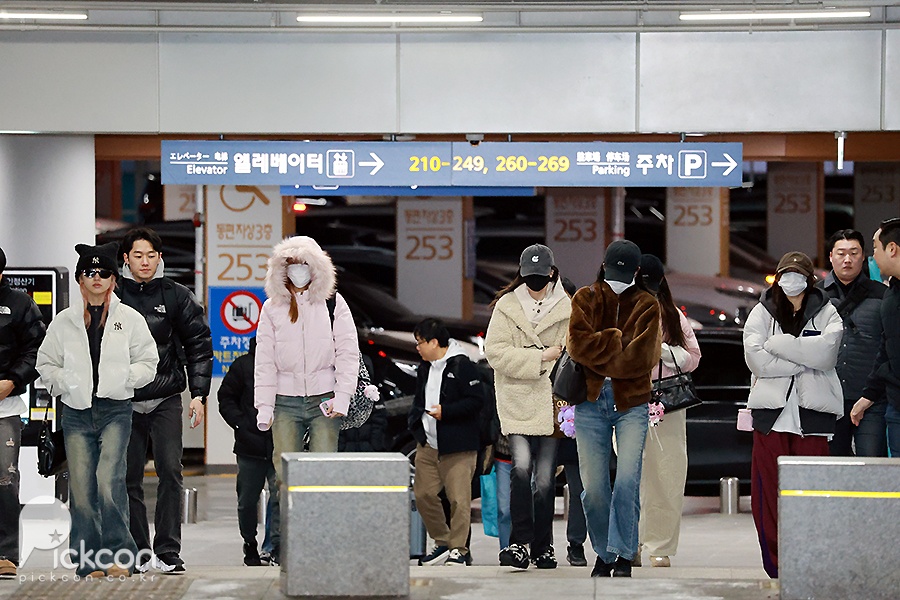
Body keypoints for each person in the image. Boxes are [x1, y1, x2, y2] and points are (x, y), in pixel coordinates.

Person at [36, 242, 158, 578]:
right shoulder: (64, 321)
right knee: (81, 489)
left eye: (104, 272)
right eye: (90, 272)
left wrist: (123, 379)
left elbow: (149, 361)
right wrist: (66, 382)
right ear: (80, 279)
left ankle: (120, 556)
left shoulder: (129, 319)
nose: (97, 278)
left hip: (116, 409)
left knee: (109, 480)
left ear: (114, 279)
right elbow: (45, 363)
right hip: (76, 412)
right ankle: (88, 561)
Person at [118, 227, 213, 574]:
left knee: (171, 471)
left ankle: (168, 550)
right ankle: (138, 550)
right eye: (138, 255)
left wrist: (199, 395)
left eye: (151, 255)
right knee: (128, 476)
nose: (145, 262)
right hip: (124, 400)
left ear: (160, 258)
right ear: (126, 259)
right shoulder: (113, 295)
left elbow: (199, 344)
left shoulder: (176, 295)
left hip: (166, 397)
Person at [743, 250, 843, 579]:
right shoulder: (761, 311)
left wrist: (779, 345)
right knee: (767, 495)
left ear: (809, 280)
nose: (791, 280)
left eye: (798, 274)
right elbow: (756, 359)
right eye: (786, 274)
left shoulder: (827, 311)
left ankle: (809, 564)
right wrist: (803, 359)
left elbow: (827, 355)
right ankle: (776, 565)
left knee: (813, 494)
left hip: (813, 418)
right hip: (771, 419)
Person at [567, 239, 661, 578]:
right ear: (604, 266)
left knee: (626, 482)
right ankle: (605, 553)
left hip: (632, 403)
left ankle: (622, 554)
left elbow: (643, 359)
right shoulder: (585, 297)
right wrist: (617, 340)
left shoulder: (648, 304)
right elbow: (577, 346)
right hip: (590, 403)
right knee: (593, 488)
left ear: (636, 272)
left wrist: (601, 349)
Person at [484, 244, 571, 570]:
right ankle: (519, 543)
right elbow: (495, 353)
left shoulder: (567, 307)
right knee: (520, 469)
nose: (534, 281)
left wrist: (552, 359)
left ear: (551, 273)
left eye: (540, 275)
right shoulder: (507, 306)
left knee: (545, 479)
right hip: (517, 400)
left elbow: (573, 353)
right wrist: (541, 357)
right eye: (529, 275)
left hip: (550, 402)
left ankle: (543, 547)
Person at [254, 236, 358, 481]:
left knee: (323, 472)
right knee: (284, 473)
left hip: (324, 399)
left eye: (304, 264)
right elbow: (264, 361)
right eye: (291, 264)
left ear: (316, 267)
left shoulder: (333, 303)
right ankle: (287, 509)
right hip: (284, 401)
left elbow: (347, 352)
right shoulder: (271, 307)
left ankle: (320, 509)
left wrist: (343, 396)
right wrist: (264, 406)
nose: (298, 270)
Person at [635, 254, 701, 569]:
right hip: (628, 400)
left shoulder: (672, 315)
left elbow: (694, 357)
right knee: (631, 476)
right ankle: (629, 542)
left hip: (667, 404)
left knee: (667, 474)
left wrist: (663, 351)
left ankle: (659, 545)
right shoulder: (621, 310)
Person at [408, 318, 484, 567]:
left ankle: (459, 549)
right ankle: (443, 541)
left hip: (458, 446)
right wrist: (416, 424)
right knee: (423, 494)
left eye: (420, 342)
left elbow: (476, 401)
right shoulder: (425, 367)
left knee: (459, 500)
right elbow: (419, 399)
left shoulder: (462, 365)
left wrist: (447, 412)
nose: (417, 347)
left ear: (434, 342)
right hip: (428, 444)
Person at [818, 230, 887, 457]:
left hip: (871, 399)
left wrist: (872, 394)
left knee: (871, 466)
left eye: (854, 253)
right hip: (827, 401)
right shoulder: (816, 296)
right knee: (832, 469)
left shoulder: (882, 295)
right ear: (831, 256)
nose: (847, 259)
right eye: (841, 253)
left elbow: (889, 346)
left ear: (863, 256)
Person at [0, 247, 46, 579]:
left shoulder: (19, 303)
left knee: (4, 480)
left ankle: (6, 553)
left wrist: (12, 381)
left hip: (5, 407)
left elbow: (36, 348)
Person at [217, 336, 280, 567]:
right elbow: (226, 397)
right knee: (247, 501)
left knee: (279, 497)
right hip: (250, 446)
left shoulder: (286, 365)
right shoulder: (243, 365)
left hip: (280, 444)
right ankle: (249, 542)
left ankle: (275, 546)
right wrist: (240, 424)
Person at [852, 218, 900, 456]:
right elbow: (886, 346)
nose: (873, 258)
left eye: (875, 248)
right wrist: (869, 395)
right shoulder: (891, 294)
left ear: (892, 249)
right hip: (896, 406)